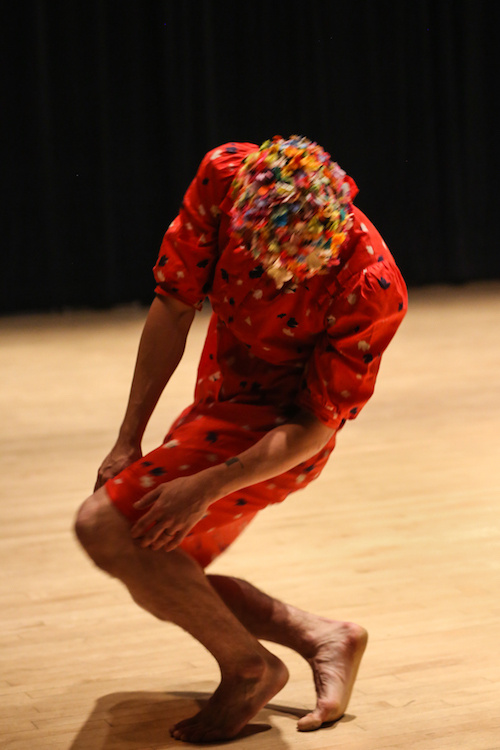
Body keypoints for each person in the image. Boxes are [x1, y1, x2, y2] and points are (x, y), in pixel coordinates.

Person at [75, 135, 407, 743]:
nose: (277, 275)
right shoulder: (225, 180)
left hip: (279, 436)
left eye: (297, 264)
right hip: (220, 398)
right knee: (159, 564)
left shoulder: (370, 282)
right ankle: (322, 635)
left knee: (108, 528)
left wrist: (208, 485)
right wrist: (128, 440)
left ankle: (249, 668)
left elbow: (315, 424)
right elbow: (174, 305)